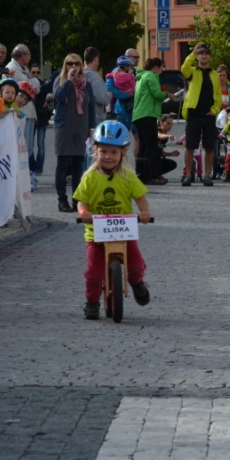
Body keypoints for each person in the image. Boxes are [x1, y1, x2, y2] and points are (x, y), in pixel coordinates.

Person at [74, 121, 152, 320]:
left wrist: (144, 213)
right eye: (104, 151)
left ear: (122, 154)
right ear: (95, 151)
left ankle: (137, 283)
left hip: (124, 232)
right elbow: (81, 201)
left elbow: (141, 198)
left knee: (135, 265)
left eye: (114, 152)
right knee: (93, 273)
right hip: (96, 234)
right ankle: (92, 302)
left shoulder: (128, 176)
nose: (108, 157)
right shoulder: (89, 177)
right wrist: (84, 212)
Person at [54, 53, 96, 213]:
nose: (73, 67)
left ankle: (76, 200)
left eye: (76, 64)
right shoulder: (61, 81)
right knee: (63, 165)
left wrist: (91, 127)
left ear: (81, 66)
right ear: (65, 66)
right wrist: (69, 81)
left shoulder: (87, 84)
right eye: (70, 64)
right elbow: (59, 97)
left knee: (78, 166)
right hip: (64, 128)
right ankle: (62, 200)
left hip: (81, 128)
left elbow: (91, 107)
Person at [180, 43, 221, 186]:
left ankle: (207, 175)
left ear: (210, 57)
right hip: (194, 113)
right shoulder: (192, 71)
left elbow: (218, 94)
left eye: (206, 53)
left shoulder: (214, 74)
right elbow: (183, 68)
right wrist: (192, 53)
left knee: (209, 146)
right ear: (198, 56)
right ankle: (188, 175)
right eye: (201, 53)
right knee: (190, 145)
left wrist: (215, 110)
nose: (203, 55)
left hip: (208, 114)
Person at [133, 58, 171, 184]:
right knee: (152, 146)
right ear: (156, 67)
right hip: (147, 113)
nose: (161, 71)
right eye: (161, 68)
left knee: (143, 146)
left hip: (139, 114)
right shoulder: (151, 76)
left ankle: (141, 174)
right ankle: (152, 175)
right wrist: (168, 95)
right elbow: (157, 94)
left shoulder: (141, 77)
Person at [106, 55, 137, 132]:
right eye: (135, 57)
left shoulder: (135, 71)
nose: (137, 59)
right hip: (122, 109)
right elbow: (110, 89)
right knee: (122, 134)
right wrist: (127, 95)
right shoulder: (115, 73)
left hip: (136, 109)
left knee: (138, 136)